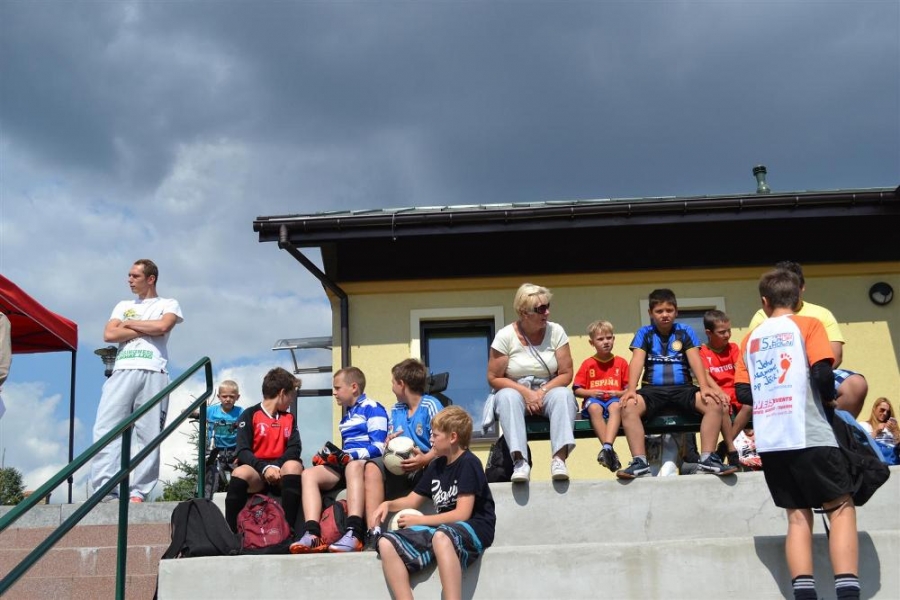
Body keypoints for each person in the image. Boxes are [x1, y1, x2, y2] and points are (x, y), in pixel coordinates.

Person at [734, 268, 860, 600]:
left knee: (797, 516)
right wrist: (828, 398)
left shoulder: (750, 339)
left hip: (772, 440)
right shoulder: (809, 324)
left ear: (764, 301)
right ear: (798, 297)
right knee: (840, 506)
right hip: (809, 432)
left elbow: (743, 392)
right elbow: (822, 371)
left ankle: (804, 593)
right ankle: (848, 592)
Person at [373, 406, 496, 600]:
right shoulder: (436, 465)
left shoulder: (468, 463)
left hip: (475, 527)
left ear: (453, 437)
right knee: (386, 543)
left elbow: (462, 514)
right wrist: (387, 505)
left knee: (441, 536)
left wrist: (420, 521)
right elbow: (412, 500)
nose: (431, 440)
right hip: (444, 529)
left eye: (435, 435)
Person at [90, 259, 184, 503]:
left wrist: (129, 324)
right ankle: (106, 489)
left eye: (135, 276)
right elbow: (109, 334)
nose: (129, 280)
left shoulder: (168, 303)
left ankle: (138, 491)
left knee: (149, 433)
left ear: (150, 279)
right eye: (129, 275)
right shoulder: (123, 305)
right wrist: (148, 327)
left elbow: (164, 326)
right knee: (106, 428)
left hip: (154, 370)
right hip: (122, 370)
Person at [616, 288, 735, 479]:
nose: (665, 315)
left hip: (683, 389)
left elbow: (696, 360)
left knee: (714, 403)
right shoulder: (644, 333)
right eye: (659, 311)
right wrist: (631, 389)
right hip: (653, 390)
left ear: (676, 311)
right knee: (628, 406)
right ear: (650, 313)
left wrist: (704, 387)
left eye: (669, 310)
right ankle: (640, 463)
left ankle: (707, 459)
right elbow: (637, 360)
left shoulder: (685, 331)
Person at [748, 261, 867, 417]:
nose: (787, 292)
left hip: (817, 374)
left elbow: (835, 355)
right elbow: (755, 360)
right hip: (777, 379)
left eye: (792, 287)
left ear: (802, 287)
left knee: (856, 384)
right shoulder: (761, 317)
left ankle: (834, 427)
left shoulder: (821, 314)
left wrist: (812, 379)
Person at [290, 366, 388, 553]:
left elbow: (379, 447)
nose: (334, 393)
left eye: (337, 388)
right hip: (348, 464)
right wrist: (330, 457)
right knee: (309, 474)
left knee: (352, 466)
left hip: (363, 464)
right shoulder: (348, 414)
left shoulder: (373, 408)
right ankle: (313, 535)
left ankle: (354, 533)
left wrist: (350, 456)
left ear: (354, 387)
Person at [486, 283, 577, 482]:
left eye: (548, 306)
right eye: (541, 309)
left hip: (548, 388)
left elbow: (566, 374)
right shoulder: (505, 336)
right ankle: (520, 462)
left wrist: (540, 392)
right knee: (507, 397)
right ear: (524, 312)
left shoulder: (556, 331)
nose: (547, 312)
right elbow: (494, 378)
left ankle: (559, 460)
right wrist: (526, 393)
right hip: (515, 390)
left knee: (564, 394)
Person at [362, 358, 442, 544]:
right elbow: (392, 441)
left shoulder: (430, 405)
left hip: (425, 467)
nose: (391, 387)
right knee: (372, 467)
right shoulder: (396, 409)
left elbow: (442, 441)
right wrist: (389, 442)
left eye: (392, 382)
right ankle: (373, 531)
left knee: (436, 462)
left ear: (401, 384)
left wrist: (425, 459)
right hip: (400, 469)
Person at [224, 367, 304, 535]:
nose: (292, 400)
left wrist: (275, 466)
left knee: (293, 466)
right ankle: (231, 534)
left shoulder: (289, 418)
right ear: (282, 393)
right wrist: (264, 468)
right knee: (239, 473)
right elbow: (242, 450)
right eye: (291, 395)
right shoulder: (249, 414)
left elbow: (295, 448)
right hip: (258, 472)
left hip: (281, 472)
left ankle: (288, 531)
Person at [572, 320, 628, 472]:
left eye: (609, 338)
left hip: (614, 400)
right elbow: (577, 389)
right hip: (594, 401)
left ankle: (607, 448)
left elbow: (629, 389)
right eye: (600, 339)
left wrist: (618, 393)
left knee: (616, 406)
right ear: (592, 343)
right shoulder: (588, 364)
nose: (606, 342)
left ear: (614, 339)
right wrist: (590, 392)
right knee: (594, 408)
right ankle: (609, 449)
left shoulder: (621, 362)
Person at [698, 309, 750, 467]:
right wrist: (719, 392)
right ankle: (731, 448)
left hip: (735, 389)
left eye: (729, 330)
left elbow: (739, 370)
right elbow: (705, 375)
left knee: (749, 405)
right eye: (722, 332)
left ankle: (725, 445)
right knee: (723, 405)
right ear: (708, 333)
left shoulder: (733, 348)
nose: (727, 335)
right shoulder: (703, 351)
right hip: (717, 391)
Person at [860, 397, 900, 465]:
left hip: (893, 460)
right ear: (874, 409)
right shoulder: (864, 425)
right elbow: (861, 447)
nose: (885, 413)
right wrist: (875, 431)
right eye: (882, 410)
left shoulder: (892, 427)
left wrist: (895, 431)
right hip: (874, 460)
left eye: (888, 412)